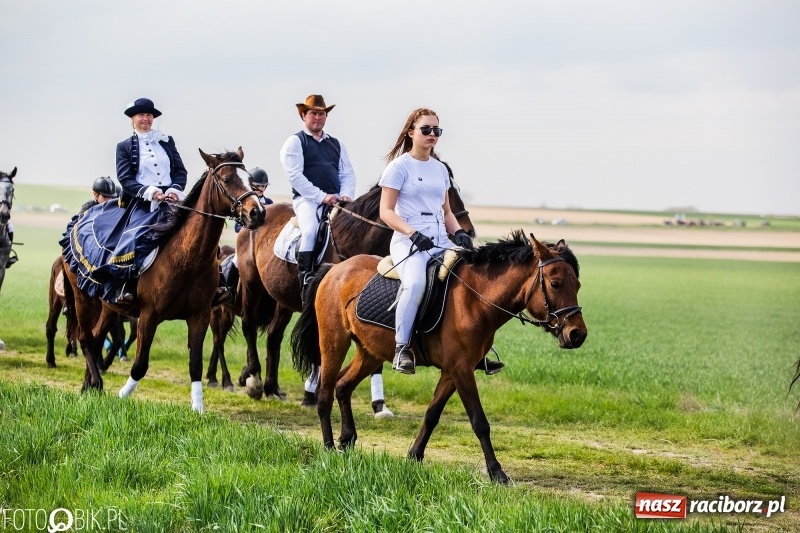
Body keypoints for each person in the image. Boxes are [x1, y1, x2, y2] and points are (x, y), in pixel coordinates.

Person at [378, 108, 479, 374]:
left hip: (438, 240)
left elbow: (446, 212)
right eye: (426, 129)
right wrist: (412, 233)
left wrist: (459, 234)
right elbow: (385, 211)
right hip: (407, 241)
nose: (432, 134)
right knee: (415, 284)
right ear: (411, 132)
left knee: (471, 277)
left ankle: (474, 346)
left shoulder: (440, 169)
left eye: (437, 130)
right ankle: (402, 348)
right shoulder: (398, 168)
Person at [279, 94, 356, 294]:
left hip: (336, 199)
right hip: (307, 200)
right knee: (310, 229)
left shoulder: (335, 144)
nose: (318, 118)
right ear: (304, 115)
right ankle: (306, 276)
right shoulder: (296, 142)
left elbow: (347, 173)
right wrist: (322, 196)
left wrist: (346, 195)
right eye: (313, 113)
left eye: (321, 114)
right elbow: (295, 177)